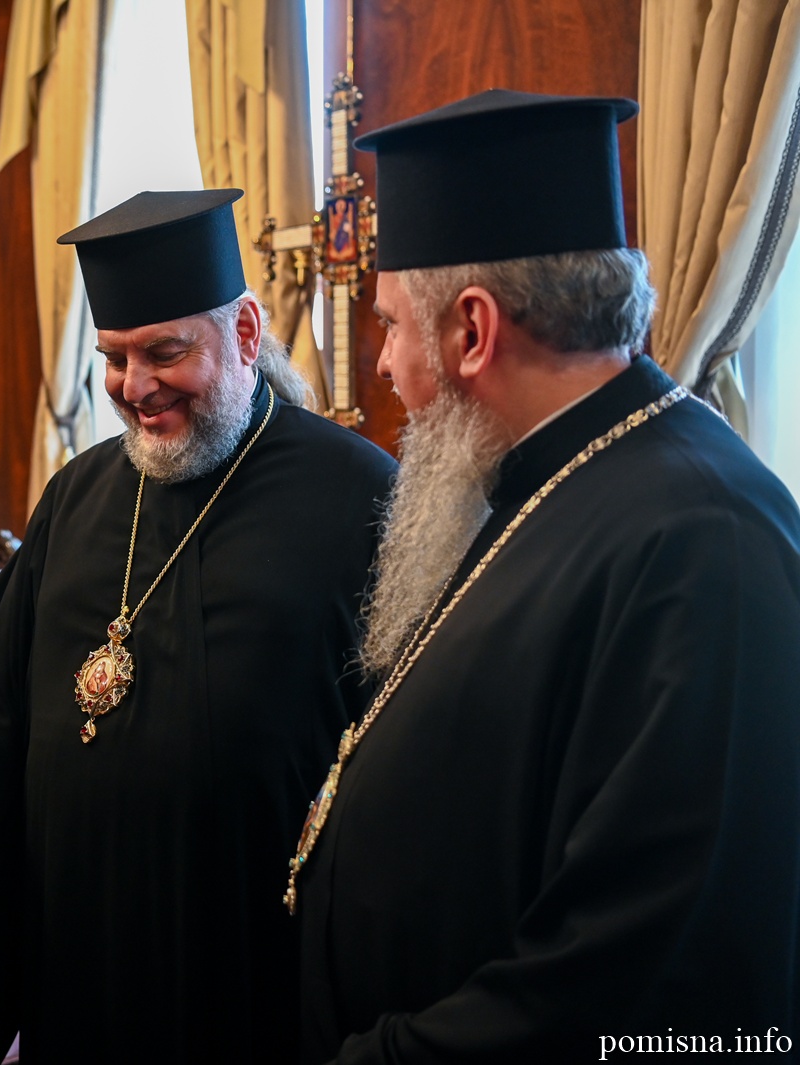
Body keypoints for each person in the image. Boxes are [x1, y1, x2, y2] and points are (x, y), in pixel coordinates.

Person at [291, 89, 800, 1062]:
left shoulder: (703, 540)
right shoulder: (538, 482)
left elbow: (652, 978)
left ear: (471, 331)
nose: (385, 363)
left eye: (391, 325)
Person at [0, 189, 398, 1063]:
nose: (134, 388)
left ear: (246, 333)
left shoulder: (359, 496)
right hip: (79, 950)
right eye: (113, 358)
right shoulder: (78, 495)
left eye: (164, 353)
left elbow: (400, 747)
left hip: (249, 959)